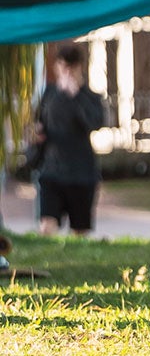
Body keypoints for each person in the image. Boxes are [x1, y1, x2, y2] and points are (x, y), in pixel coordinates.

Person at [33, 44, 106, 236]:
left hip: (81, 174)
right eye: (62, 67)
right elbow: (39, 121)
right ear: (57, 66)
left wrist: (75, 95)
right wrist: (37, 134)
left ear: (79, 67)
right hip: (52, 171)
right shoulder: (49, 93)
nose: (65, 72)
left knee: (79, 232)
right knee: (47, 226)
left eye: (70, 68)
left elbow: (95, 123)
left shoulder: (90, 97)